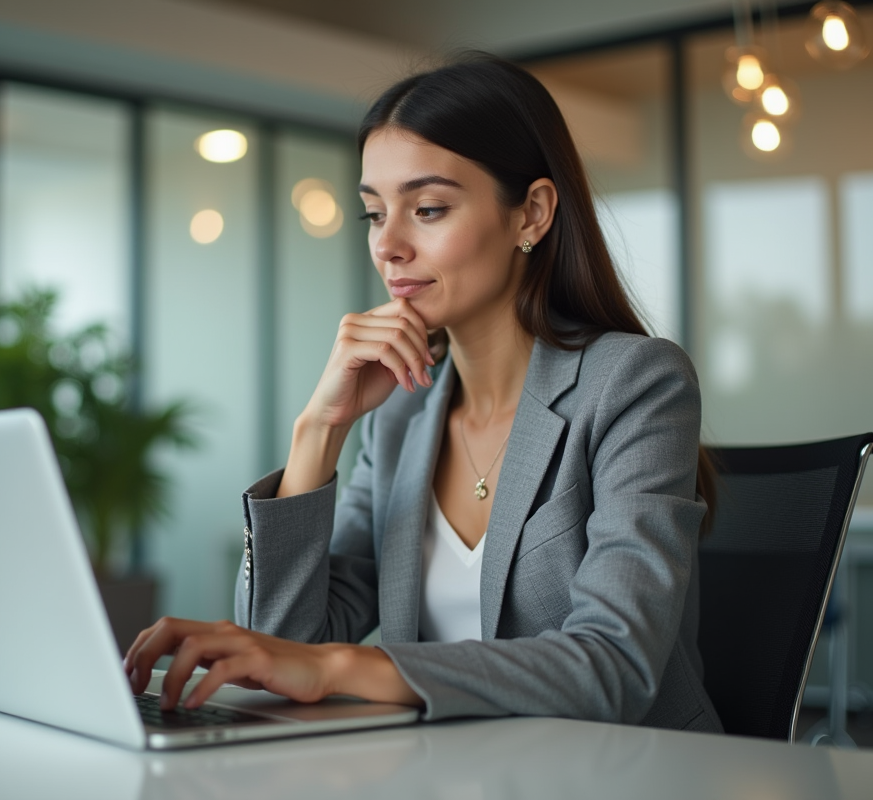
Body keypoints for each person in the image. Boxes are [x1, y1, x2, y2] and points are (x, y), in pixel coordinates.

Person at [124, 53, 723, 733]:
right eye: (374, 215)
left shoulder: (635, 383)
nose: (389, 246)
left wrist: (345, 669)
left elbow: (617, 666)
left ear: (531, 214)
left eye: (429, 208)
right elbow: (287, 635)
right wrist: (319, 430)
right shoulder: (403, 412)